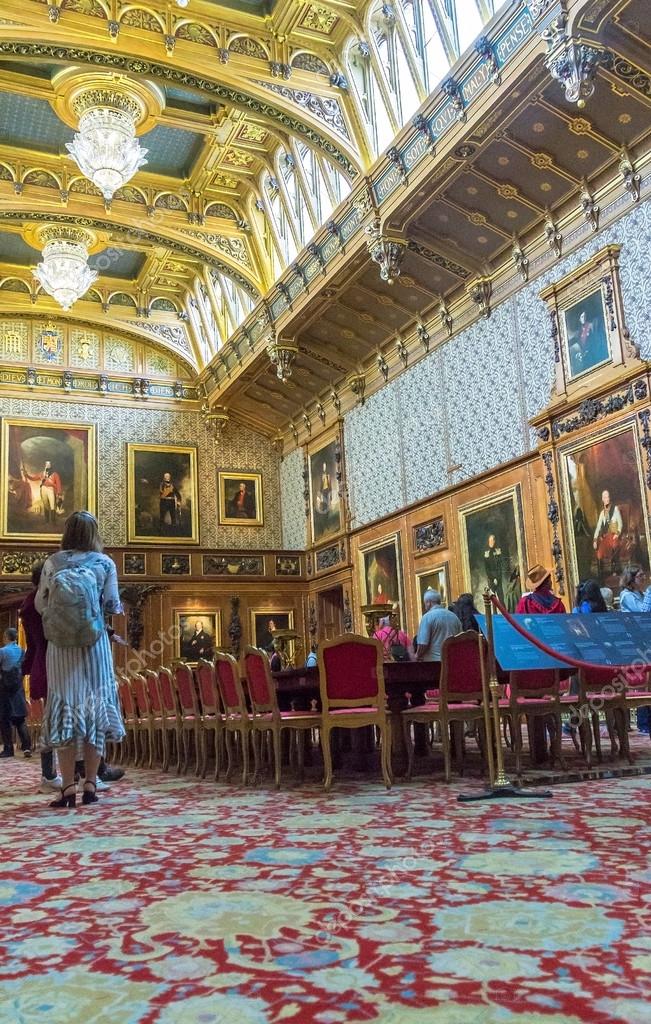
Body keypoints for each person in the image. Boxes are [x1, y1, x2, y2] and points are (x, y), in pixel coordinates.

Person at [36, 511, 125, 808]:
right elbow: (112, 604)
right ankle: (90, 784)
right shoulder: (104, 563)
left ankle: (67, 789)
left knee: (64, 709)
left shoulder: (53, 562)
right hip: (94, 643)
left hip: (60, 646)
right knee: (95, 710)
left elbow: (40, 604)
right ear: (94, 532)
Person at [19, 562, 60, 790]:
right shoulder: (46, 602)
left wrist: (23, 670)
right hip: (55, 663)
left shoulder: (28, 604)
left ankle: (49, 773)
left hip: (39, 666)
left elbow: (33, 646)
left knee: (50, 721)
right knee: (61, 719)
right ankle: (78, 770)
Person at [0, 628, 31, 759]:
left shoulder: (2, 651)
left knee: (4, 719)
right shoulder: (21, 651)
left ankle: (8, 749)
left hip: (4, 690)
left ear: (6, 637)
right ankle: (27, 747)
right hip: (18, 689)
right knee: (20, 719)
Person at [416, 590, 461, 675]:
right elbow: (460, 639)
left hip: (434, 664)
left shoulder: (427, 617)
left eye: (425, 603)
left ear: (429, 603)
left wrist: (417, 656)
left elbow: (423, 644)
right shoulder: (454, 616)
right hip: (453, 662)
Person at [593, 490, 623, 572]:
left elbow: (620, 524)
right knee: (599, 553)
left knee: (614, 546)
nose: (607, 499)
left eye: (608, 497)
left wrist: (617, 533)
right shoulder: (602, 513)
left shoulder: (615, 509)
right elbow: (598, 527)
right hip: (606, 538)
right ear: (602, 499)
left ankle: (615, 572)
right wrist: (595, 540)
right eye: (605, 497)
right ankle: (601, 576)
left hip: (614, 536)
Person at [484, 534, 507, 605]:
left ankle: (505, 614)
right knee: (493, 602)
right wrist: (493, 578)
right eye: (489, 541)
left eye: (492, 541)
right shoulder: (486, 553)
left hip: (498, 579)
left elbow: (500, 567)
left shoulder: (498, 551)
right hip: (491, 580)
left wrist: (497, 578)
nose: (491, 542)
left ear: (494, 541)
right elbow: (487, 569)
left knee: (501, 600)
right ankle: (494, 615)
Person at [40, 461, 63, 525]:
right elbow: (34, 478)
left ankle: (53, 521)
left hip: (51, 489)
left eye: (49, 464)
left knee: (52, 505)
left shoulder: (55, 474)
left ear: (51, 465)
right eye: (46, 464)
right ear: (45, 465)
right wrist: (27, 475)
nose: (47, 465)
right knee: (45, 504)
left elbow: (58, 484)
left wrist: (59, 493)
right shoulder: (42, 473)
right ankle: (46, 521)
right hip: (43, 489)